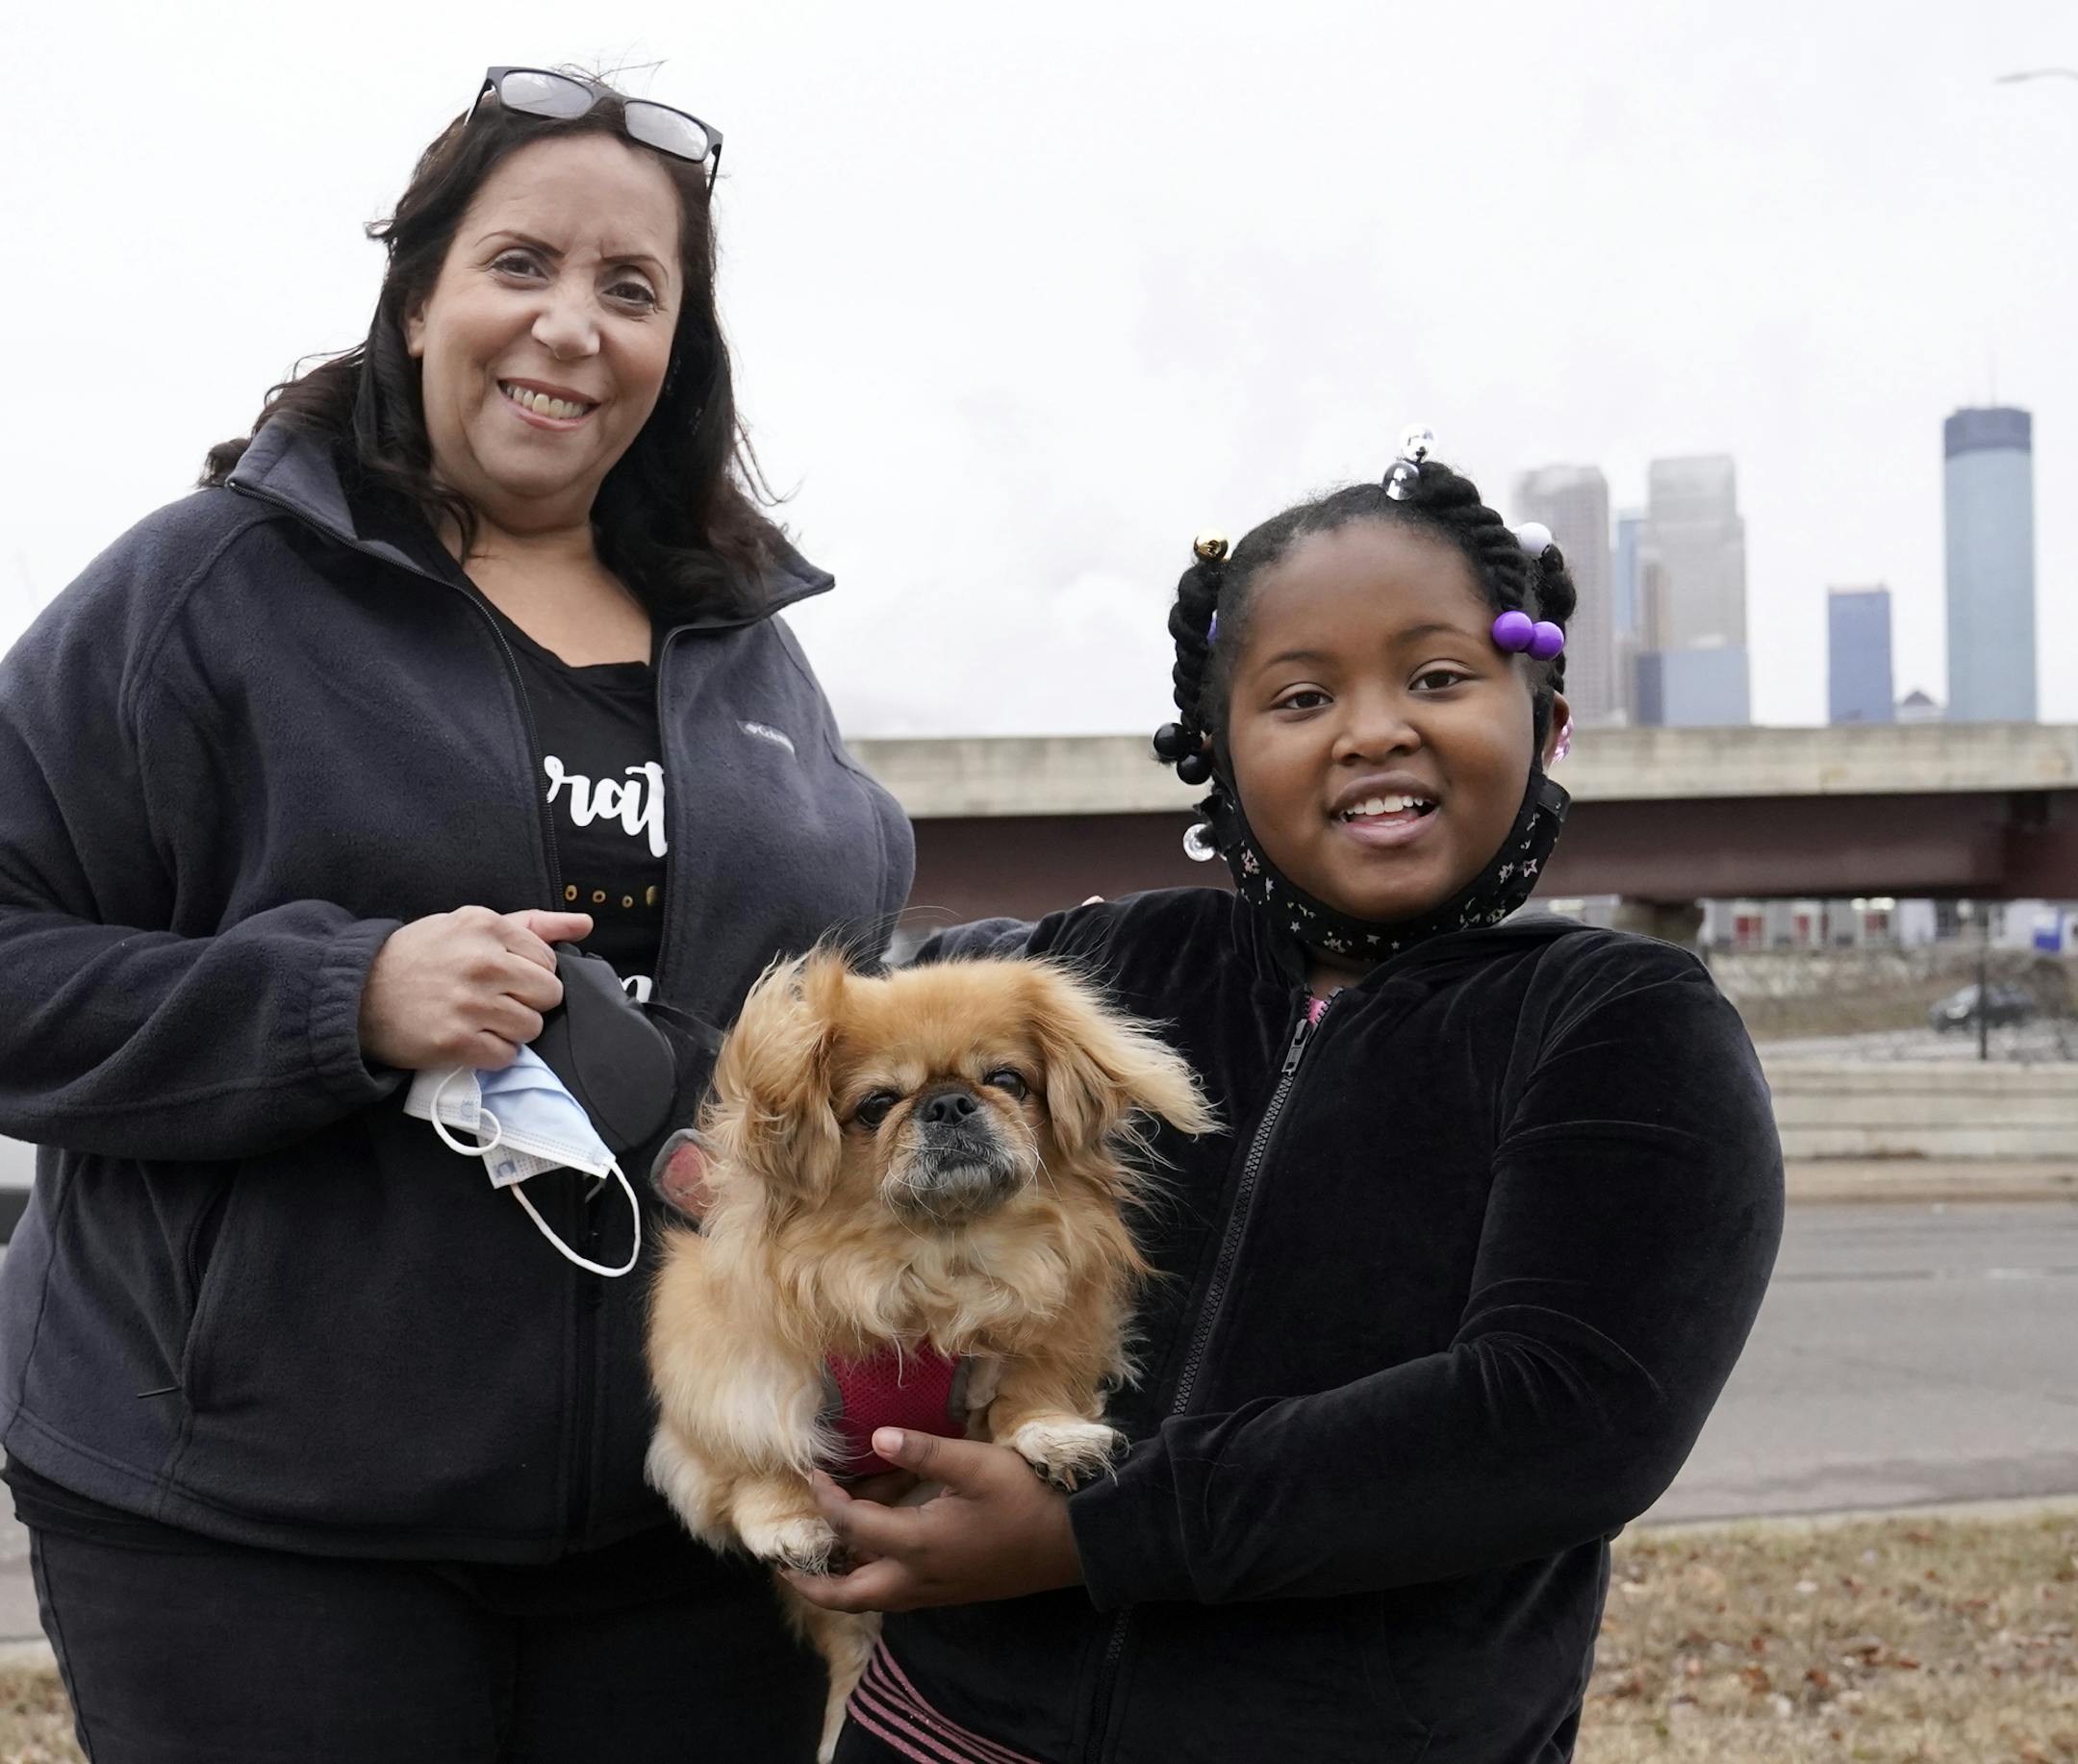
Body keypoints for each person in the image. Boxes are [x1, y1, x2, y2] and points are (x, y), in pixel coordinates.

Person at [0, 67, 910, 1762]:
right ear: (421, 296)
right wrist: (337, 1000)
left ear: (676, 350)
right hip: (257, 1529)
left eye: (631, 290)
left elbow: (844, 1037)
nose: (572, 326)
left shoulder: (746, 648)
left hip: (689, 1527)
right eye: (522, 265)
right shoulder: (210, 590)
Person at [786, 437, 1785, 1763]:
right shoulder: (1083, 978)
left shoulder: (1623, 1021)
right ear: (1219, 751)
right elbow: (798, 1084)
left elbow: (1558, 1416)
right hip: (949, 1731)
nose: (1375, 727)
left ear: (1543, 720)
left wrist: (1093, 1530)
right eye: (1302, 696)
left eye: (1436, 676)